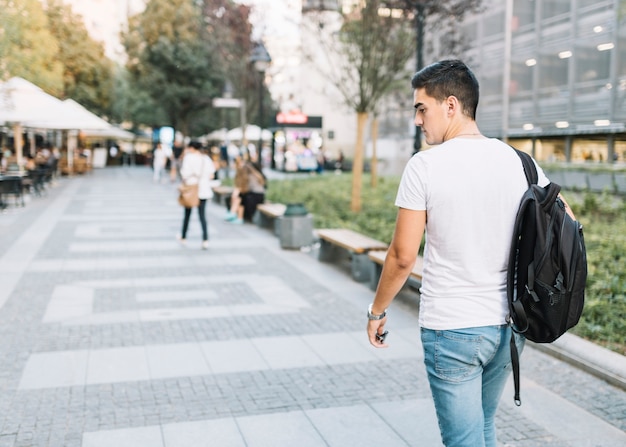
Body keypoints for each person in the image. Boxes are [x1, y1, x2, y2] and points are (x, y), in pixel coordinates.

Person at [366, 60, 575, 447]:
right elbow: (567, 224)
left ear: (450, 105)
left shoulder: (425, 166)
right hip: (511, 325)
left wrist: (377, 311)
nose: (417, 119)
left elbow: (402, 256)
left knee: (464, 439)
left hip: (454, 328)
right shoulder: (520, 162)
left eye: (421, 108)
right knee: (482, 428)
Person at [178, 141, 215, 250]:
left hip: (191, 189)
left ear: (192, 148)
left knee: (187, 215)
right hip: (203, 190)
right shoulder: (206, 159)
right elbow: (211, 175)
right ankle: (205, 240)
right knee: (202, 216)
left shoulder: (188, 158)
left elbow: (184, 174)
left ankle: (184, 237)